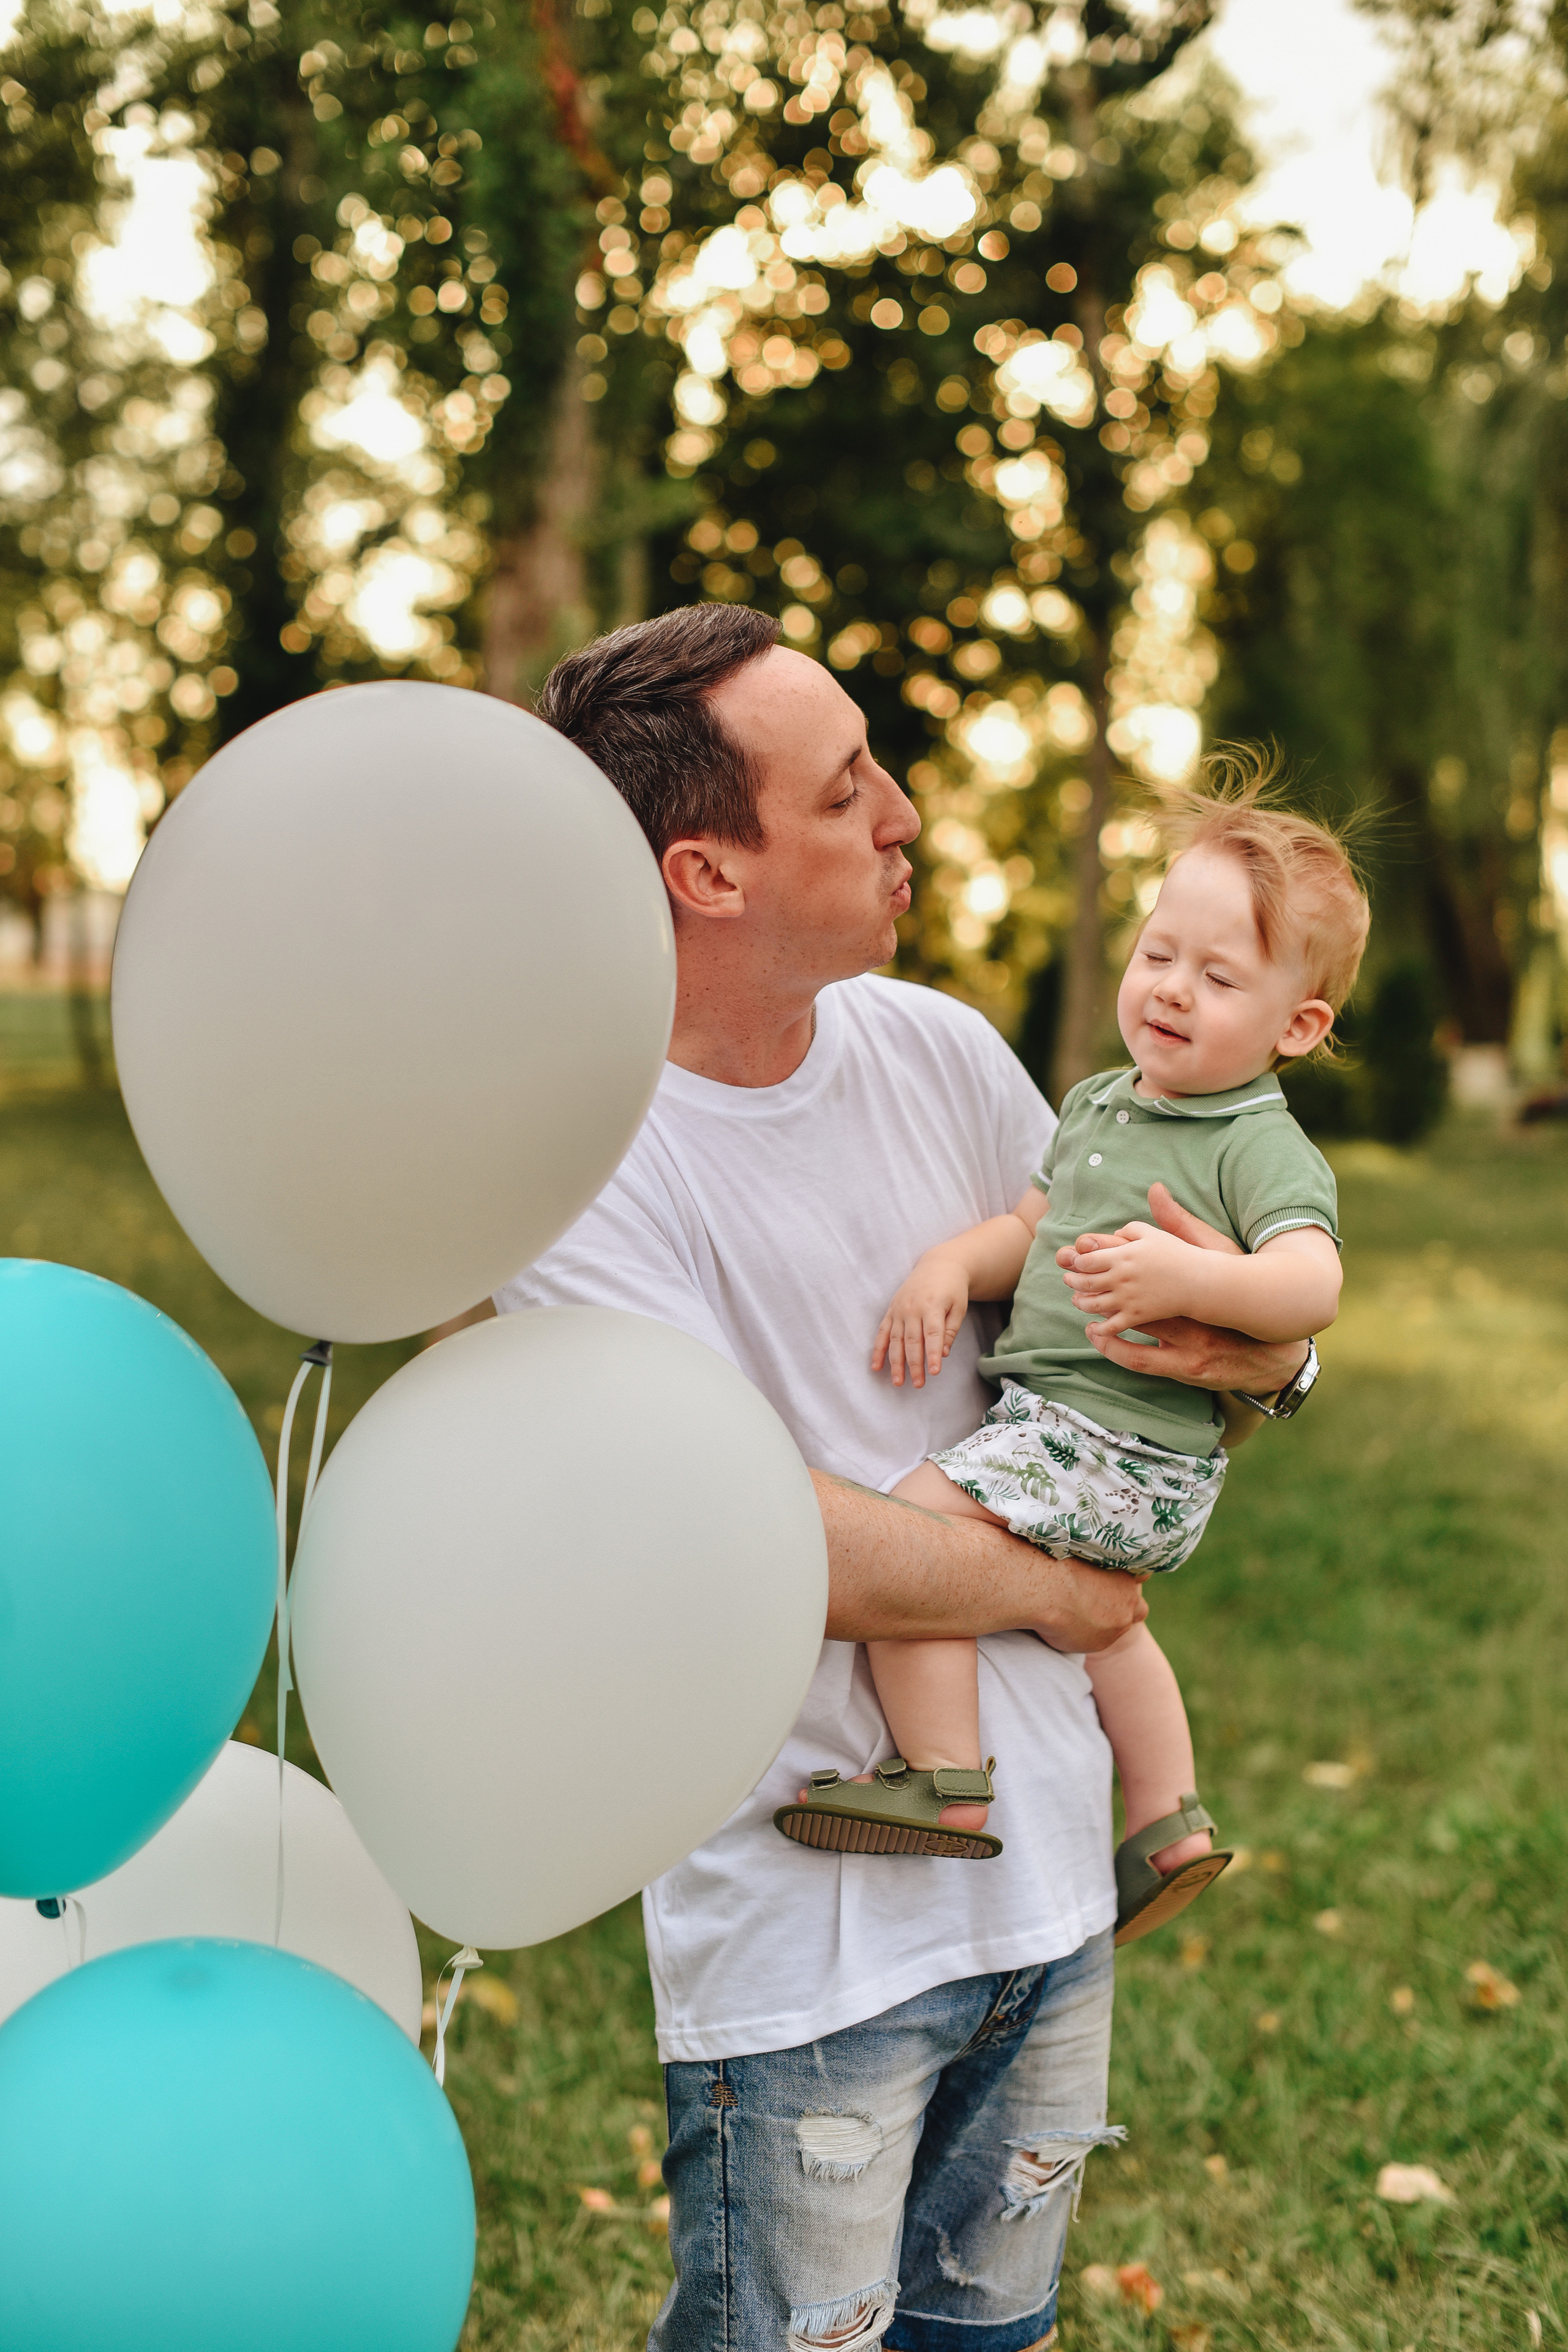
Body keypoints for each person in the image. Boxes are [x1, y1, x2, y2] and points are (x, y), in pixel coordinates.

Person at [487, 605, 1315, 2352]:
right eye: (849, 788)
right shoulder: (579, 1170)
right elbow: (739, 1542)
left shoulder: (935, 1047)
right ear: (706, 872)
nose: (908, 816)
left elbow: (1151, 1310)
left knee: (988, 2339)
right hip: (812, 1938)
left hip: (1046, 1884)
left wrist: (1281, 1351)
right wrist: (1058, 1592)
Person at [775, 778, 1365, 1951]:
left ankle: (943, 1780)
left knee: (916, 1551)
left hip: (1108, 1440)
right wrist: (953, 1266)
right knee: (1109, 1632)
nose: (1172, 990)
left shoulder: (1256, 1142)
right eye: (1158, 954)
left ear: (1297, 1027)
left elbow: (1313, 1287)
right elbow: (1030, 1230)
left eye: (1220, 977)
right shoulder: (1103, 1102)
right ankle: (1169, 1822)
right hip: (1106, 1456)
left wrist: (1193, 1282)